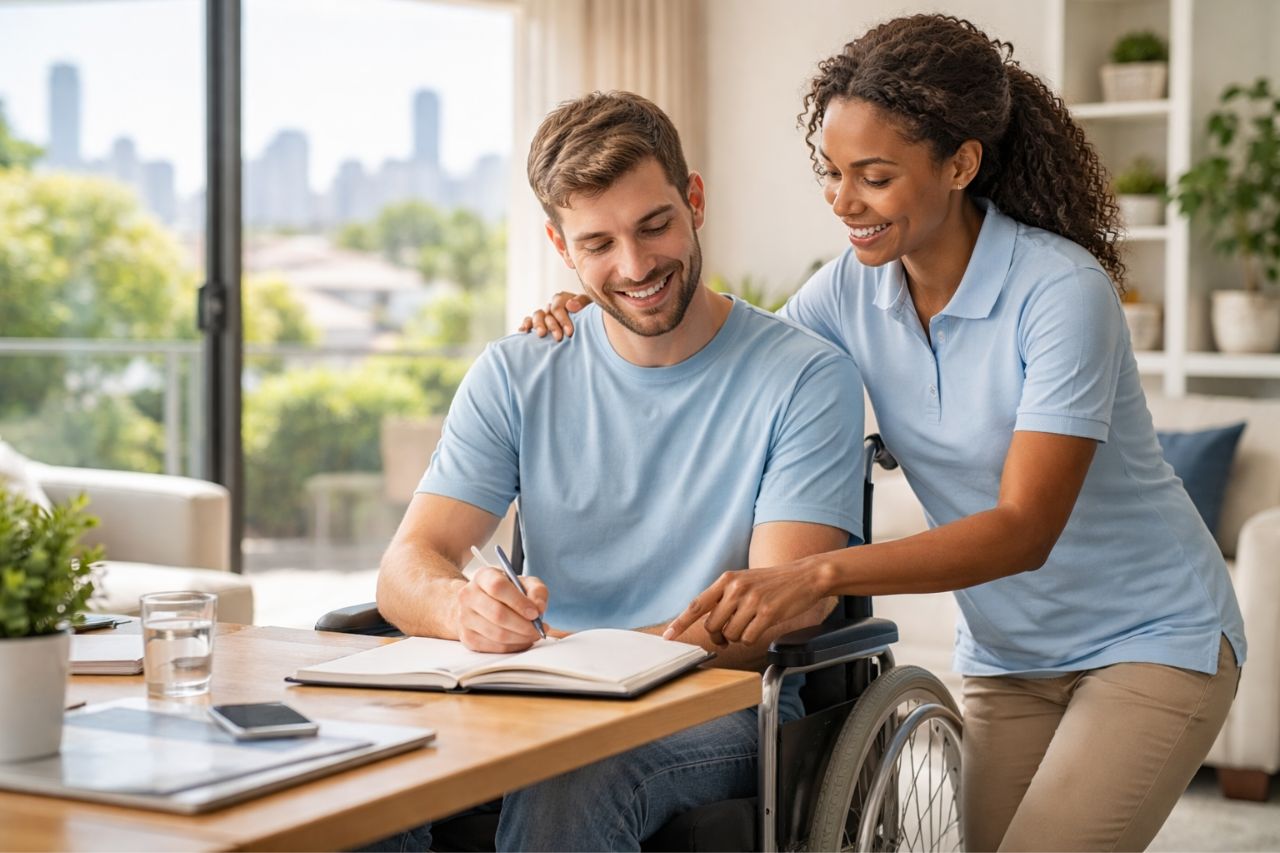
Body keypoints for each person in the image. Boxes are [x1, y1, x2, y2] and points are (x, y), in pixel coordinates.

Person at [520, 15, 1245, 852]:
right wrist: (604, 304)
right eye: (832, 172)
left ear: (960, 164)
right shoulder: (846, 295)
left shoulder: (1060, 292)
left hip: (1153, 633)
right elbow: (731, 359)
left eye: (874, 176)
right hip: (1009, 655)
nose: (843, 202)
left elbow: (1025, 528)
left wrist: (820, 572)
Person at [373, 90, 865, 852]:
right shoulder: (517, 371)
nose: (635, 267)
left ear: (693, 199)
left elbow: (776, 611)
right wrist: (459, 611)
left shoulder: (805, 376)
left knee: (574, 772)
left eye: (654, 225)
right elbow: (406, 567)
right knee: (354, 773)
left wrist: (579, 654)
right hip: (535, 693)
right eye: (597, 243)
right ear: (560, 245)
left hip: (714, 705)